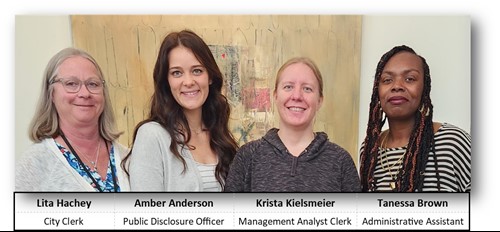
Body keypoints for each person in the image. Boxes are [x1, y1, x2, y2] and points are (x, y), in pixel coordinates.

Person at [123, 30, 238, 191]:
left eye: (197, 70)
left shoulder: (220, 136)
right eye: (177, 73)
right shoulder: (152, 135)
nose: (188, 82)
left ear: (210, 77)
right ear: (166, 81)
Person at [224, 57, 361, 192]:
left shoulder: (341, 161)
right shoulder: (248, 157)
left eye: (307, 89)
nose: (296, 96)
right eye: (288, 87)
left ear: (319, 100)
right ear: (276, 95)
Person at [359, 45, 471, 192]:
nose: (397, 86)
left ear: (424, 88)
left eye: (409, 79)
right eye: (387, 80)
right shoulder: (369, 151)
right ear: (377, 91)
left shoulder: (453, 142)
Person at [15, 47, 129, 192]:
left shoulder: (129, 158)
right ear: (51, 94)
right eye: (71, 84)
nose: (84, 93)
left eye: (92, 84)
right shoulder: (35, 163)